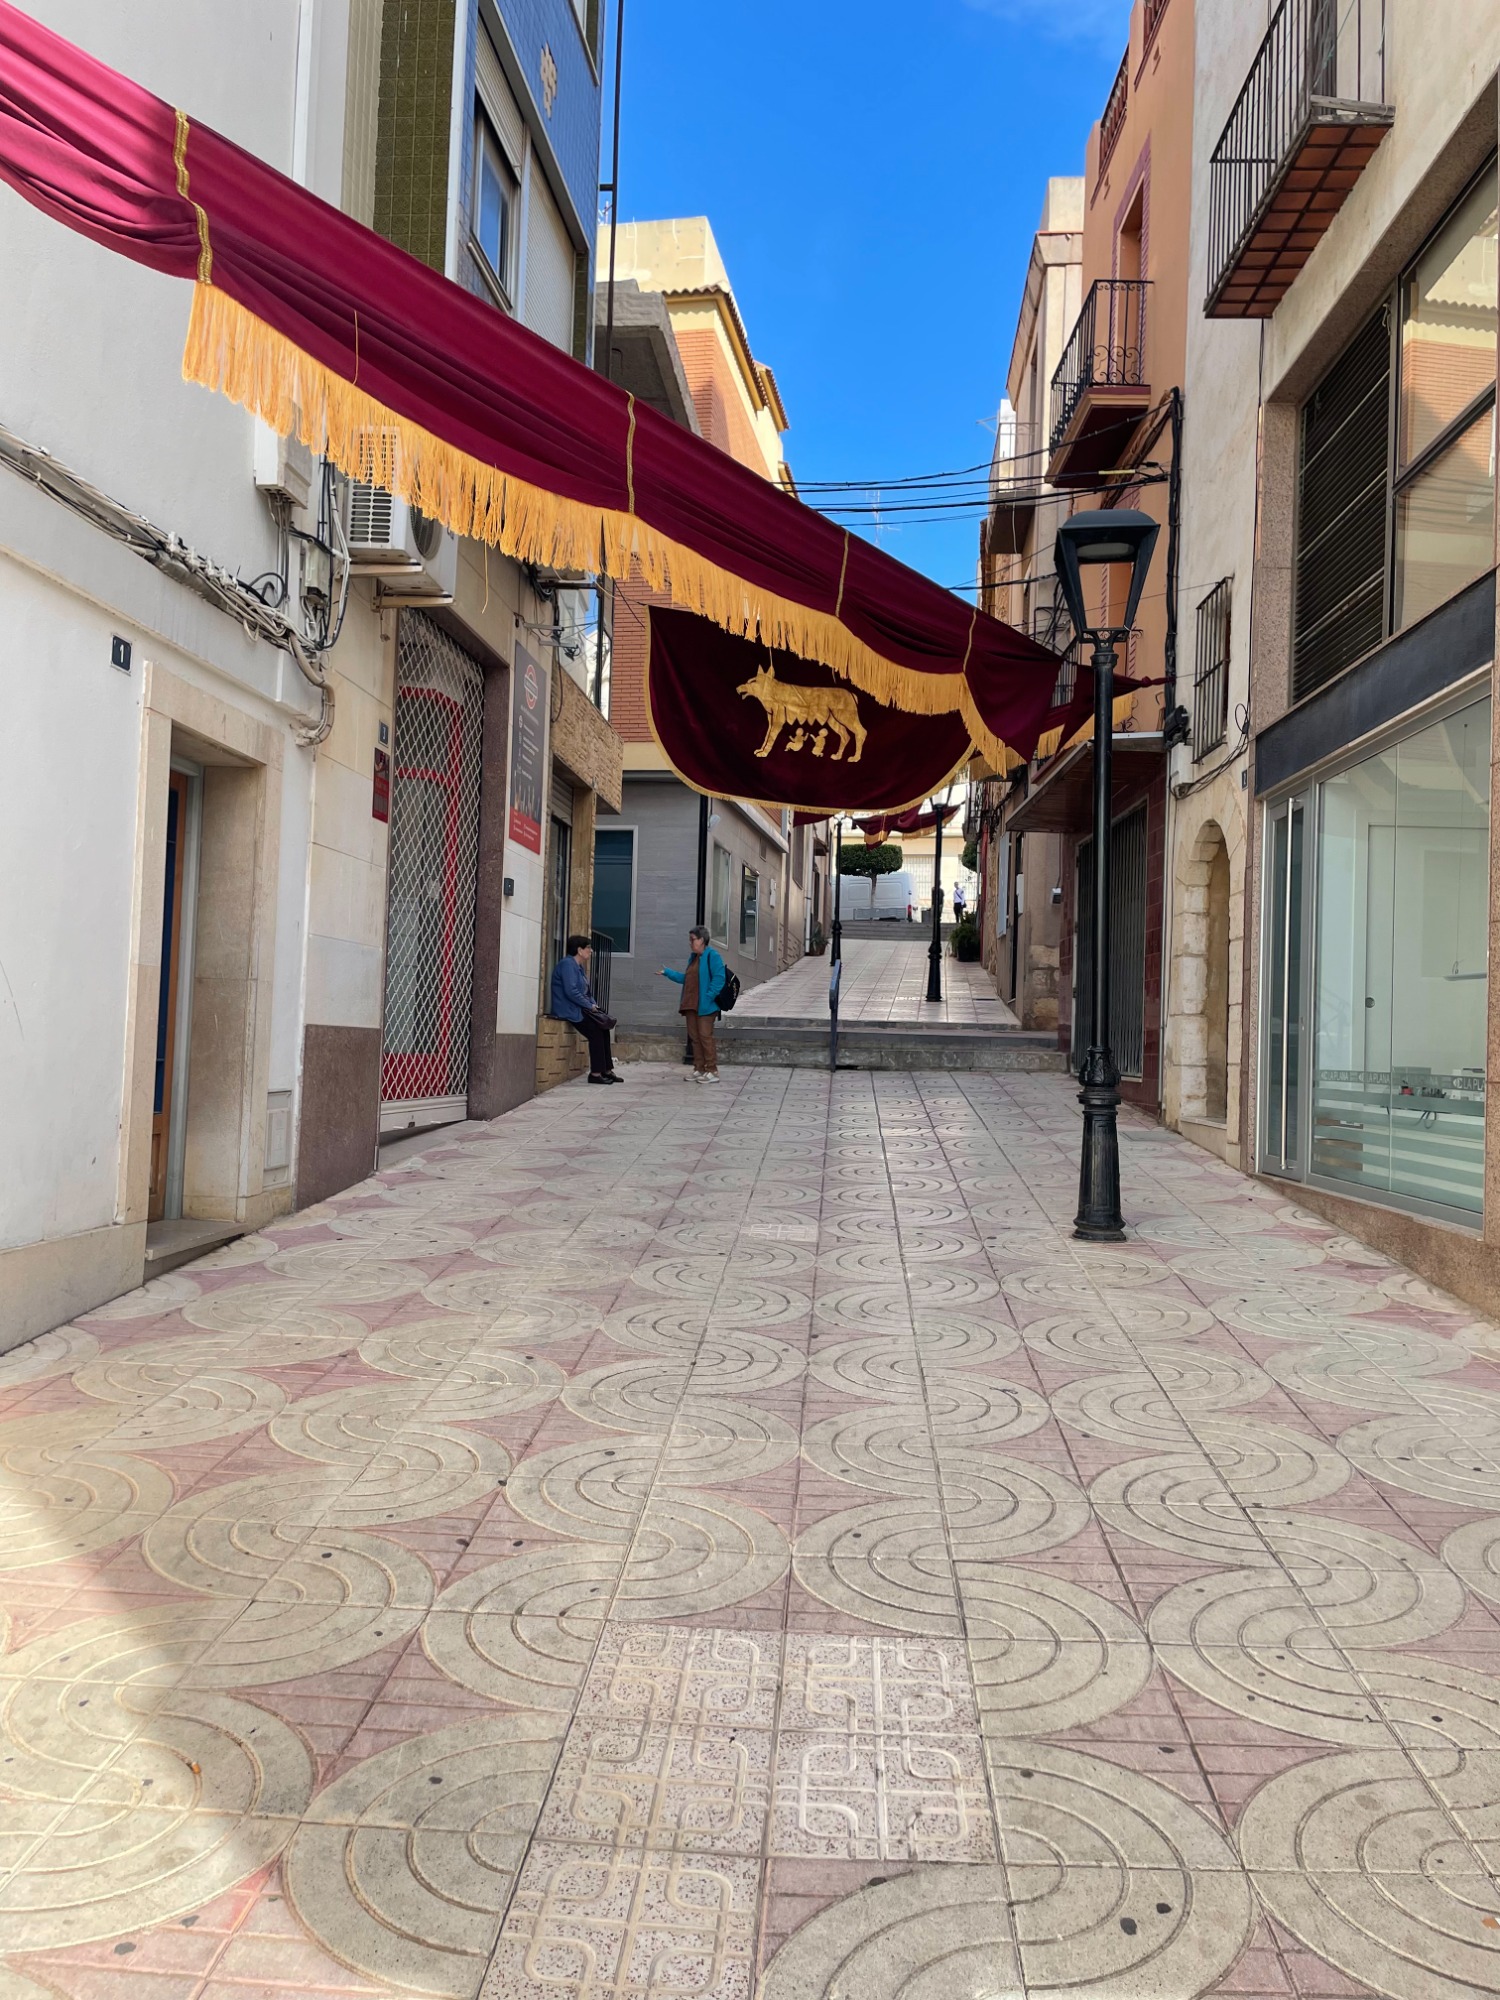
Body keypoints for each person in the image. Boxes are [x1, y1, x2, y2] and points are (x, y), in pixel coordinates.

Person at [550, 934, 618, 1084]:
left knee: (603, 1028)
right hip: (569, 1010)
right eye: (588, 947)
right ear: (579, 950)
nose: (591, 950)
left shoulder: (578, 967)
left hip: (580, 1008)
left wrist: (594, 1005)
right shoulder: (567, 964)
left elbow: (586, 992)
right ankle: (595, 1074)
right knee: (596, 1030)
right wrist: (589, 1005)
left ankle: (606, 1070)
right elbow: (571, 991)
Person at [662, 926, 726, 1082]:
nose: (690, 943)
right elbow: (687, 979)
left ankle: (712, 1070)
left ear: (702, 940)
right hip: (691, 1004)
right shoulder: (694, 958)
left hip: (706, 1006)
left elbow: (719, 978)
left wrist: (708, 997)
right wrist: (668, 973)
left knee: (705, 1037)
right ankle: (699, 1068)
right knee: (695, 1038)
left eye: (693, 940)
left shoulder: (712, 956)